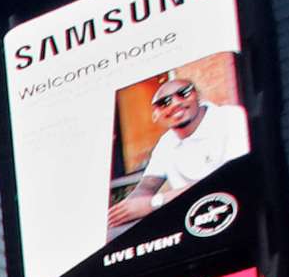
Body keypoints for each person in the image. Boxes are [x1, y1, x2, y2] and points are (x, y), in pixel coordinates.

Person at [107, 73, 250, 232]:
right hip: (192, 226)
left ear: (197, 95)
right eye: (164, 102)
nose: (175, 104)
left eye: (183, 93)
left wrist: (154, 203)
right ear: (157, 114)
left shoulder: (230, 117)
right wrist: (122, 212)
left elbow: (233, 176)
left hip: (240, 216)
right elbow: (147, 186)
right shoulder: (166, 143)